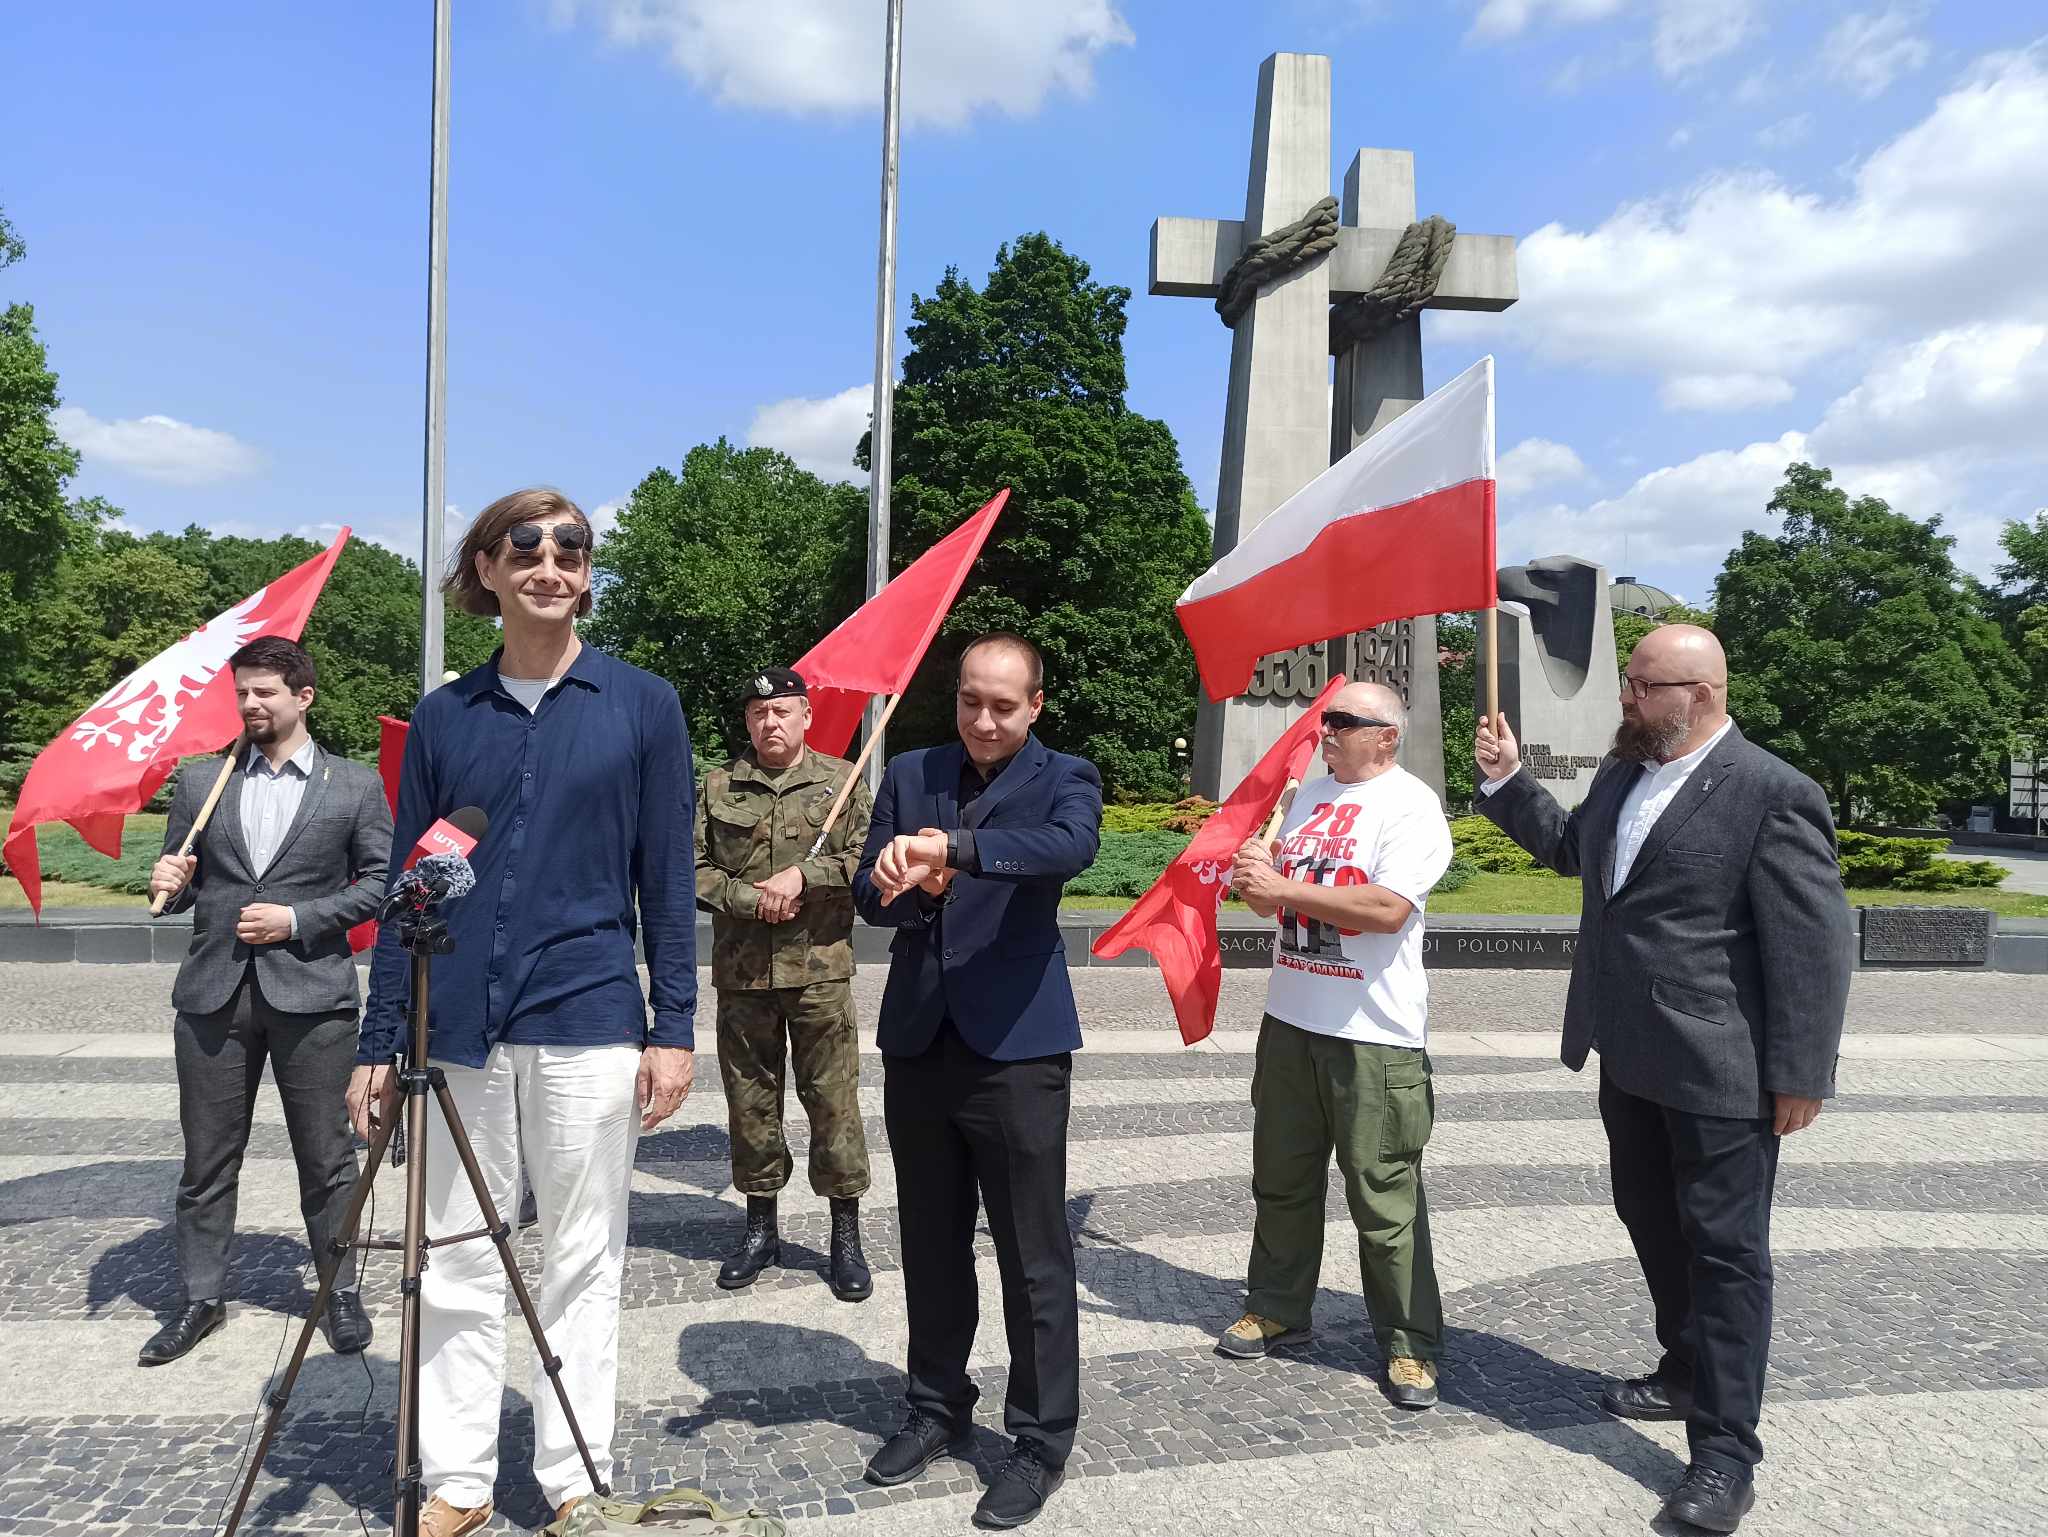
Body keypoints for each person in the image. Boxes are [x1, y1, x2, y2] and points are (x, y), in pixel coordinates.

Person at [353, 488, 697, 1537]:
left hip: (589, 1011)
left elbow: (666, 881)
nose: (552, 563)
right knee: (455, 1249)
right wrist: (379, 1040)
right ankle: (456, 1476)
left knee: (583, 1256)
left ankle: (571, 1472)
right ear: (488, 569)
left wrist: (672, 1025)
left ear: (587, 571)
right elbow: (409, 891)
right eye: (528, 546)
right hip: (457, 1022)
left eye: (572, 548)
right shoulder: (448, 716)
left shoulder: (642, 703)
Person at [1474, 622, 1852, 1535]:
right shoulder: (1624, 772)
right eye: (1630, 683)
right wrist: (1505, 780)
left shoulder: (1773, 793)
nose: (1626, 699)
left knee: (1727, 1256)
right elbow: (1573, 851)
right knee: (1649, 1217)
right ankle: (1683, 1367)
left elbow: (1815, 944)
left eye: (1643, 686)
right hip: (1629, 1054)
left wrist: (1800, 1074)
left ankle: (1724, 1454)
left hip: (1723, 1070)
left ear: (1701, 695)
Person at [852, 633, 1102, 1531]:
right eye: (970, 701)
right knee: (929, 1237)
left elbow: (1067, 848)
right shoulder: (912, 767)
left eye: (1004, 704)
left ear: (1035, 704)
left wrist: (953, 849)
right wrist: (884, 876)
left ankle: (1038, 1441)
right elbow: (862, 884)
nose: (984, 719)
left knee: (1034, 1254)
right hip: (920, 1037)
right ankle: (934, 1403)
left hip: (1017, 1046)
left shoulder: (1067, 774)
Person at [142, 636, 392, 1366]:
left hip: (313, 997)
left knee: (326, 1157)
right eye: (242, 693)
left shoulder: (352, 786)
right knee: (207, 1159)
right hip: (213, 996)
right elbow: (183, 882)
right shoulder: (201, 782)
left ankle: (339, 1292)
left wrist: (299, 918)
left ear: (303, 696)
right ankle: (200, 1297)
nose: (250, 705)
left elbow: (378, 882)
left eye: (265, 693)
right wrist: (171, 878)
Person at [1223, 681, 1452, 1410]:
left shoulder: (1412, 806)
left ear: (1386, 734)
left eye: (1344, 722)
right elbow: (1271, 901)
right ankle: (1278, 1304)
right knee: (1281, 1179)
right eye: (1327, 721)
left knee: (1384, 1198)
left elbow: (1386, 908)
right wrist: (1255, 880)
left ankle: (1410, 1343)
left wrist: (1284, 886)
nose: (1326, 732)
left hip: (1374, 1035)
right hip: (1292, 1020)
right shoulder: (1311, 795)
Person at [695, 664, 874, 1299]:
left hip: (819, 970)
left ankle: (845, 1235)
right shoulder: (719, 785)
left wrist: (806, 878)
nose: (770, 722)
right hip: (743, 975)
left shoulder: (841, 780)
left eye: (783, 711)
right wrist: (747, 898)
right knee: (749, 1104)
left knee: (832, 1102)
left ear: (806, 718)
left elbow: (865, 857)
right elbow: (691, 867)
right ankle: (760, 1228)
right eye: (759, 713)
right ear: (748, 720)